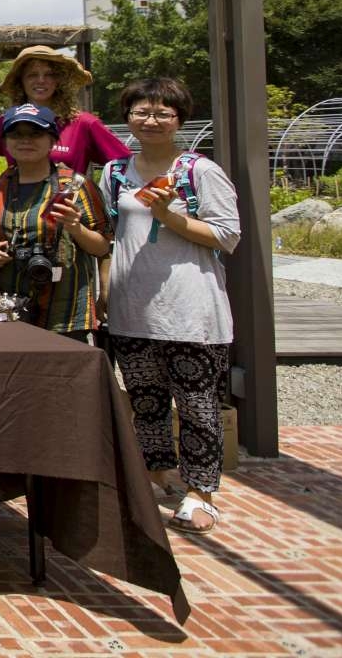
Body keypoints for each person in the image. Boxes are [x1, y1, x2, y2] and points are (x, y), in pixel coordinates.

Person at [100, 78, 239, 535]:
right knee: (146, 401)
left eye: (163, 113)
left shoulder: (199, 171)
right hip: (132, 309)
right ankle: (158, 474)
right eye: (142, 111)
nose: (151, 120)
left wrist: (169, 216)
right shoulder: (116, 171)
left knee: (197, 405)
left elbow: (227, 235)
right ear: (128, 116)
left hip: (191, 309)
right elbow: (110, 237)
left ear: (179, 119)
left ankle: (201, 492)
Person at [0, 103, 110, 340]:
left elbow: (103, 246)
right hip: (2, 302)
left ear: (52, 140)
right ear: (5, 142)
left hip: (63, 307)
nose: (25, 140)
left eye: (36, 133)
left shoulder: (75, 186)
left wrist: (75, 227)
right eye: (16, 134)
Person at [0, 46, 128, 195]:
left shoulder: (84, 124)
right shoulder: (7, 122)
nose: (41, 80)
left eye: (49, 74)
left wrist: (99, 198)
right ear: (21, 81)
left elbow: (126, 165)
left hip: (67, 217)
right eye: (32, 75)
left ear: (59, 81)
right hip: (15, 219)